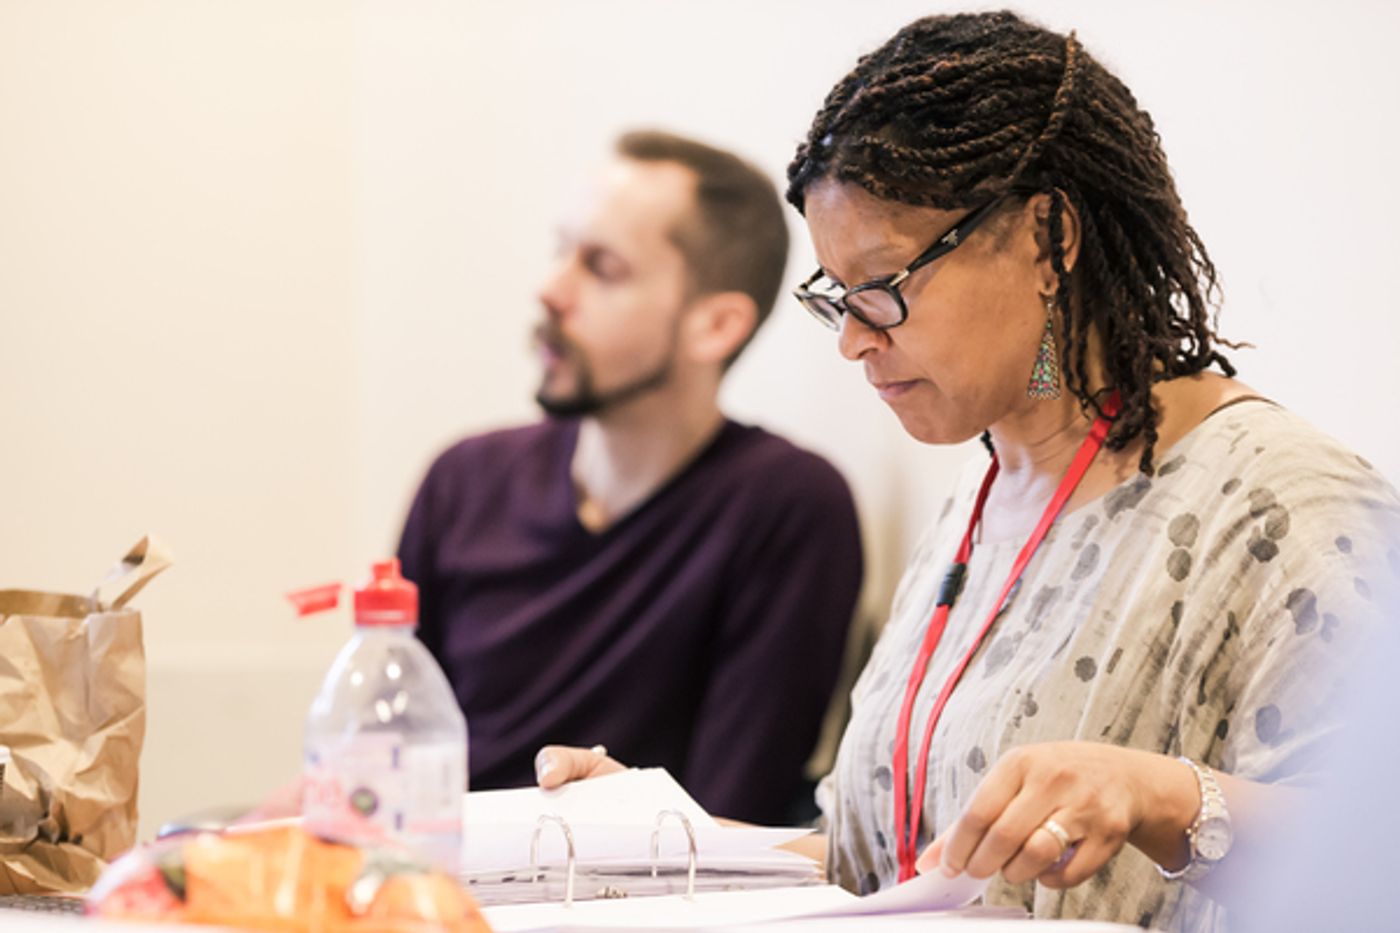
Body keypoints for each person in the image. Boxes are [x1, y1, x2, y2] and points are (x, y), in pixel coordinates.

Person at [537, 13, 1400, 930]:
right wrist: (665, 840)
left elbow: (1374, 859)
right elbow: (906, 865)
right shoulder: (985, 495)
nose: (856, 341)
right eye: (837, 297)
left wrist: (1164, 795)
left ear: (1048, 237)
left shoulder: (1289, 509)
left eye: (883, 287)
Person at [397, 130, 864, 825]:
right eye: (563, 252)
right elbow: (385, 757)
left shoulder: (786, 509)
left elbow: (730, 822)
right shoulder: (463, 479)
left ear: (715, 324)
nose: (551, 289)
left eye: (603, 267)